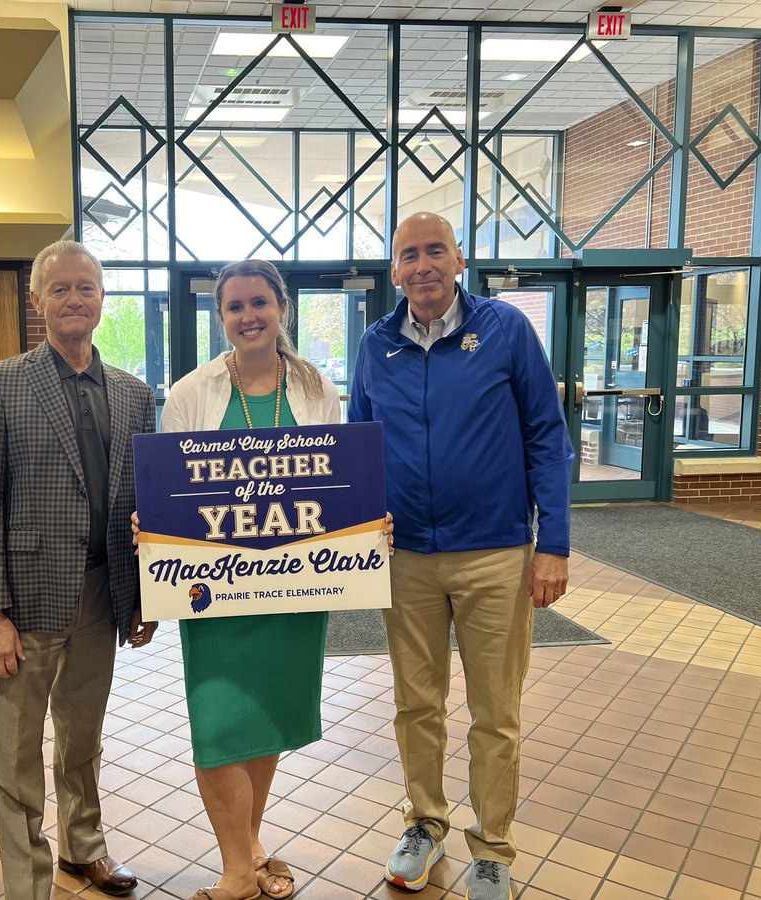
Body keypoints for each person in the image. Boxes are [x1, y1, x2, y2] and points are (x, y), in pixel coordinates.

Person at [348, 212, 573, 900]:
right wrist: (353, 543)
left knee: (494, 712)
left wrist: (553, 543)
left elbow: (546, 434)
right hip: (407, 557)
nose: (423, 265)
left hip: (496, 554)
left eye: (434, 251)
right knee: (416, 705)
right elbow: (358, 444)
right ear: (394, 270)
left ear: (459, 259)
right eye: (409, 254)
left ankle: (493, 848)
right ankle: (424, 824)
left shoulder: (505, 329)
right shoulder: (374, 344)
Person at [0, 240, 157, 900]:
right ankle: (28, 882)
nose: (75, 299)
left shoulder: (134, 395)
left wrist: (143, 594)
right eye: (61, 289)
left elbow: (141, 504)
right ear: (37, 300)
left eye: (87, 288)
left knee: (83, 739)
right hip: (25, 602)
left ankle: (85, 848)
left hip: (104, 596)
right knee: (15, 754)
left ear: (104, 299)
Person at [155, 260, 341, 900]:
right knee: (218, 722)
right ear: (221, 316)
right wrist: (148, 522)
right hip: (216, 594)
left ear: (281, 307)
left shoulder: (317, 389)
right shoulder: (190, 393)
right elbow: (173, 494)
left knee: (265, 718)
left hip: (294, 590)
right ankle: (238, 870)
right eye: (234, 307)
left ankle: (250, 847)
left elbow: (337, 485)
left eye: (259, 302)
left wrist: (369, 524)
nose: (248, 316)